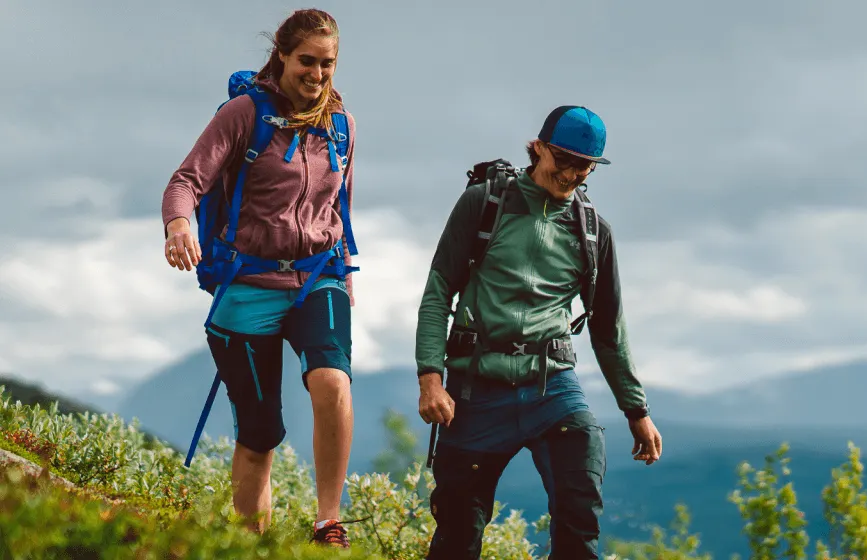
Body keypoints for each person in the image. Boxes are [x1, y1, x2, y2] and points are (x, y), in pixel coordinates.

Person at [414, 105, 663, 559]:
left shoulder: (593, 233)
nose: (570, 174)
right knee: (456, 533)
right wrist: (430, 377)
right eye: (562, 160)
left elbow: (608, 329)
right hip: (475, 390)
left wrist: (636, 409)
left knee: (580, 502)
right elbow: (438, 292)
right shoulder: (485, 204)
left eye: (583, 166)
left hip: (551, 389)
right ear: (539, 148)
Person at [160, 8, 361, 548]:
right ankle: (252, 545)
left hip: (319, 274)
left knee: (332, 380)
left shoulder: (341, 125)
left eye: (328, 64)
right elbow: (186, 180)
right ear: (282, 55)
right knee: (260, 435)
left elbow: (340, 205)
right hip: (248, 284)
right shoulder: (244, 114)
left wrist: (346, 272)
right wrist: (179, 225)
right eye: (307, 62)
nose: (317, 75)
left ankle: (327, 523)